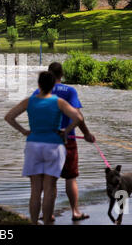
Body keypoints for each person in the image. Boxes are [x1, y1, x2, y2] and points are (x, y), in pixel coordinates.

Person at [5, 71, 83, 225]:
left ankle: (34, 223)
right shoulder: (59, 102)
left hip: (33, 145)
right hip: (54, 146)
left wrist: (23, 131)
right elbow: (78, 118)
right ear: (53, 85)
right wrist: (66, 131)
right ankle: (47, 222)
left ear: (39, 85)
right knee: (49, 189)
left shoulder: (29, 101)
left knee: (35, 190)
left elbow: (9, 117)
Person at [32, 62, 96, 221]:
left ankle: (48, 214)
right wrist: (87, 134)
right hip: (68, 140)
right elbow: (78, 116)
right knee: (70, 177)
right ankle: (75, 211)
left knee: (49, 180)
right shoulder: (70, 91)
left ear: (48, 74)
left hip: (46, 141)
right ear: (62, 75)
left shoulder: (39, 92)